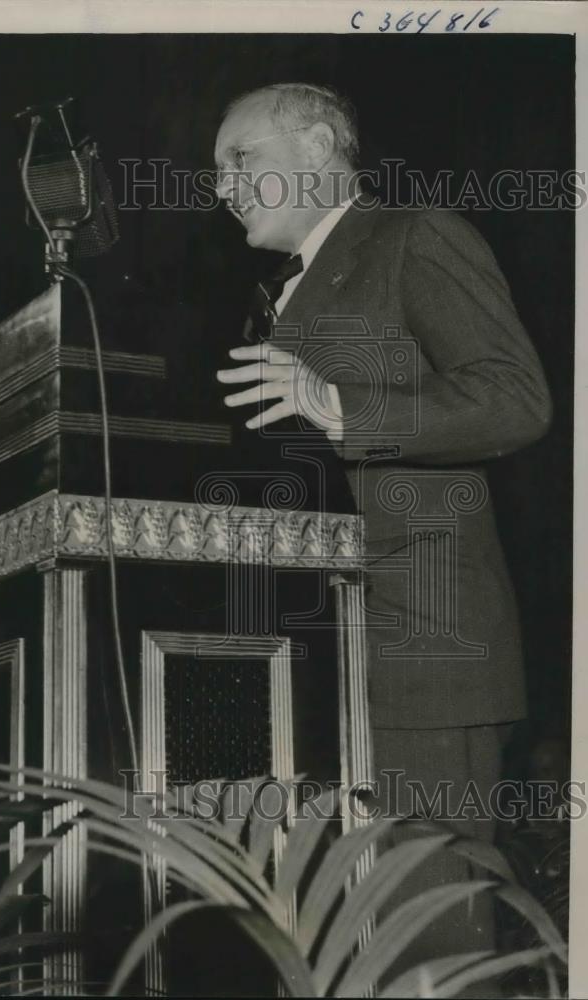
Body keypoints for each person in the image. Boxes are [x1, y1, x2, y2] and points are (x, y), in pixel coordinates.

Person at [214, 82, 553, 986]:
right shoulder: (279, 296)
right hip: (317, 656)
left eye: (240, 159)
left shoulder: (412, 238)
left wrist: (337, 405)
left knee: (428, 933)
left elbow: (515, 399)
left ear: (319, 145)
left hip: (425, 643)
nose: (221, 185)